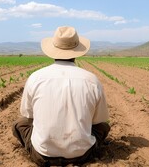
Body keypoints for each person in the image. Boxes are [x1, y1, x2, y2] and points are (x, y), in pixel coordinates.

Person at [12, 26, 110, 166]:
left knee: (19, 124)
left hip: (42, 155)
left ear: (53, 51)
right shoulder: (92, 80)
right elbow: (97, 121)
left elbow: (29, 115)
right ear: (77, 52)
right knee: (103, 127)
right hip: (82, 155)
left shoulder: (36, 77)